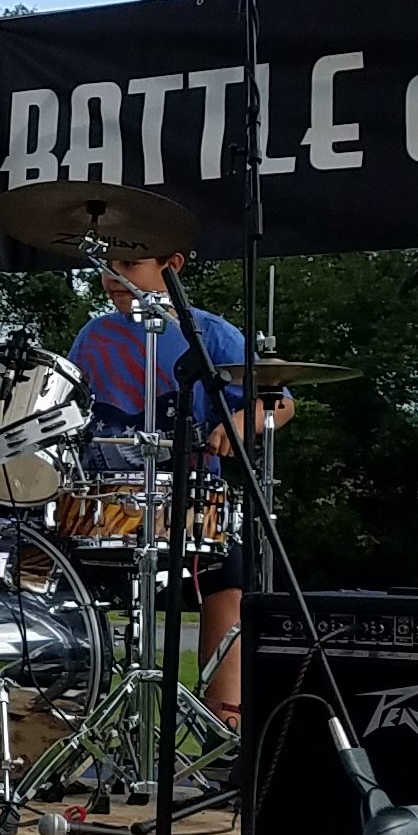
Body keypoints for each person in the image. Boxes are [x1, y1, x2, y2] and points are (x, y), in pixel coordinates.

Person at [63, 251, 293, 720]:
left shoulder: (208, 333)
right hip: (104, 499)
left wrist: (239, 423)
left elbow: (280, 401)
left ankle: (225, 717)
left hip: (188, 499)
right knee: (51, 569)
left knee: (228, 577)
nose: (113, 276)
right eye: (107, 265)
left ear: (172, 265)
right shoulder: (93, 336)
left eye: (129, 264)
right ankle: (64, 704)